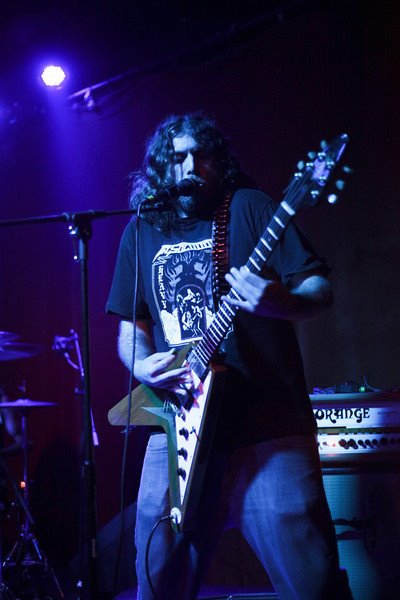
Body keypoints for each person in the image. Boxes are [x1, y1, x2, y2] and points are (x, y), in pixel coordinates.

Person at [106, 113, 353, 600]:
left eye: (201, 155)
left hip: (267, 431)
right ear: (161, 167)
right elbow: (130, 328)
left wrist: (280, 301)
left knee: (312, 583)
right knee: (155, 580)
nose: (190, 166)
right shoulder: (140, 231)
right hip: (176, 428)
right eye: (178, 157)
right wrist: (140, 363)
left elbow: (320, 290)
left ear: (219, 162)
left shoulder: (252, 208)